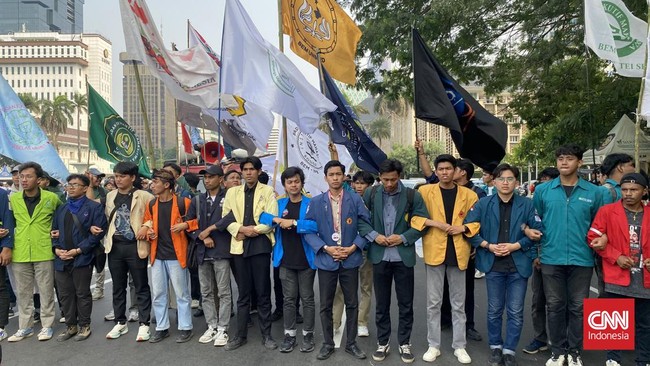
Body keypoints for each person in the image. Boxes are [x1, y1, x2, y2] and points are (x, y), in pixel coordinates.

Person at [464, 164, 543, 366]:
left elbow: (537, 231)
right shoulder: (483, 204)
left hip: (518, 264)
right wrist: (487, 246)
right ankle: (496, 347)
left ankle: (509, 350)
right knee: (494, 309)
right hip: (493, 264)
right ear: (494, 181)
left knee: (516, 311)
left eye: (509, 179)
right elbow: (469, 229)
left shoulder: (527, 204)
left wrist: (516, 245)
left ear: (516, 182)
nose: (505, 183)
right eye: (501, 179)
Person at [533, 144, 604, 366]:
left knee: (579, 307)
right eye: (560, 158)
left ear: (579, 163)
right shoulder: (543, 191)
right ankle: (557, 351)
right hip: (550, 258)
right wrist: (538, 252)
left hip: (582, 258)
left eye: (569, 158)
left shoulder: (595, 192)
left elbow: (600, 224)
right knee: (554, 305)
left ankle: (574, 351)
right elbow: (537, 222)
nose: (564, 162)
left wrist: (600, 242)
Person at [358, 159, 428, 363]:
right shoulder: (371, 194)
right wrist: (373, 236)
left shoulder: (412, 195)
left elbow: (422, 222)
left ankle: (404, 343)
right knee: (382, 303)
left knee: (406, 303)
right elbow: (361, 220)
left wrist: (404, 237)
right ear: (379, 177)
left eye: (393, 179)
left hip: (403, 257)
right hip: (379, 256)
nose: (389, 184)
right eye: (385, 179)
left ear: (400, 176)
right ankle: (383, 342)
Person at [411, 154, 479, 364]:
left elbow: (477, 221)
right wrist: (434, 223)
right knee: (434, 302)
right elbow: (413, 217)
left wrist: (463, 228)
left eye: (448, 169)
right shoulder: (424, 191)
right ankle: (434, 345)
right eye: (440, 169)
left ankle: (460, 346)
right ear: (436, 170)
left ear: (455, 170)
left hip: (459, 251)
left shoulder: (469, 195)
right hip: (435, 251)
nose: (444, 172)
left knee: (458, 303)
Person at [304, 160, 370, 361]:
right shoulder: (315, 202)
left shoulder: (355, 199)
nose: (335, 178)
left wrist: (353, 247)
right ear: (325, 177)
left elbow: (366, 226)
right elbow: (307, 231)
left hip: (350, 259)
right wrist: (326, 248)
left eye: (338, 174)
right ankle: (327, 343)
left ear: (344, 176)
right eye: (331, 174)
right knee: (325, 304)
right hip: (327, 259)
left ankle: (351, 343)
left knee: (352, 303)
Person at [588, 172, 650, 366]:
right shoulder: (607, 211)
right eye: (624, 190)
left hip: (645, 279)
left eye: (634, 190)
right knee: (612, 322)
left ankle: (644, 360)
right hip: (616, 276)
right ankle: (612, 360)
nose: (628, 194)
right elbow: (592, 238)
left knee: (645, 325)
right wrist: (616, 257)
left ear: (645, 191)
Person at [221, 156, 278, 351]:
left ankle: (267, 335)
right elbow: (226, 217)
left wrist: (253, 230)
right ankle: (240, 335)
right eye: (245, 169)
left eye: (252, 169)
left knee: (262, 291)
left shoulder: (268, 191)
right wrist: (240, 229)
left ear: (259, 171)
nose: (248, 172)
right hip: (239, 244)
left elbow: (271, 218)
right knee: (243, 293)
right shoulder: (232, 192)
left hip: (260, 244)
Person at [260, 167, 317, 353]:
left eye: (296, 181)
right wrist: (277, 219)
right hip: (284, 259)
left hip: (306, 259)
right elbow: (263, 216)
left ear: (302, 183)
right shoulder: (279, 203)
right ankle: (289, 335)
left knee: (308, 299)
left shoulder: (311, 203)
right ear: (284, 185)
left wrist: (294, 223)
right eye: (289, 182)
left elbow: (316, 225)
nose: (293, 185)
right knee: (288, 300)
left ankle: (308, 335)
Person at [7, 162, 62, 342]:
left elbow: (63, 216)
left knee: (46, 290)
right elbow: (8, 222)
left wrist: (58, 233)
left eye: (28, 176)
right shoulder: (13, 199)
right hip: (20, 250)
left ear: (39, 180)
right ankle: (25, 326)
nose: (23, 180)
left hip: (44, 249)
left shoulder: (51, 198)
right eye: (21, 176)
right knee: (23, 292)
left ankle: (47, 325)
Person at [51, 174, 107, 342]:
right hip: (62, 258)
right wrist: (56, 249)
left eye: (76, 184)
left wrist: (78, 250)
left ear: (85, 188)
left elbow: (98, 234)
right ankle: (71, 325)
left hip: (82, 257)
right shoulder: (62, 208)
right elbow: (53, 232)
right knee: (65, 294)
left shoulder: (93, 208)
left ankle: (84, 325)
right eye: (69, 184)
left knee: (82, 293)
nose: (71, 187)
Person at [140, 170, 194, 343]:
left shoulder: (183, 202)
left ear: (167, 185)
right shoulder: (151, 204)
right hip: (157, 256)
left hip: (177, 255)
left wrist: (185, 224)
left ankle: (185, 327)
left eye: (155, 182)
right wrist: (150, 233)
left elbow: (197, 222)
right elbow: (147, 224)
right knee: (159, 293)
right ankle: (162, 327)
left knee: (182, 294)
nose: (152, 185)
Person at [104, 162, 155, 342]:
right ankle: (120, 321)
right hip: (115, 246)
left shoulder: (144, 196)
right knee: (118, 286)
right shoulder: (110, 196)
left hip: (135, 245)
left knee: (141, 285)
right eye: (116, 176)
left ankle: (144, 323)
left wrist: (146, 226)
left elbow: (153, 217)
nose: (118, 179)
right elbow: (106, 218)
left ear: (132, 178)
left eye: (122, 176)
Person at [186, 165, 232, 346]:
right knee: (206, 292)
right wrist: (201, 237)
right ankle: (211, 325)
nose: (207, 180)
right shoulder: (197, 200)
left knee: (223, 292)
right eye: (205, 177)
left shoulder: (228, 197)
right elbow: (189, 224)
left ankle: (223, 328)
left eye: (211, 177)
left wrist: (211, 230)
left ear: (221, 179)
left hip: (221, 250)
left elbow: (232, 217)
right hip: (202, 250)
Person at [332, 170, 375, 337]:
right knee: (339, 288)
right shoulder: (347, 196)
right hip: (346, 251)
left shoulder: (373, 199)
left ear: (369, 185)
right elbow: (338, 180)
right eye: (356, 182)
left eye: (363, 183)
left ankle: (362, 322)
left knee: (365, 287)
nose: (358, 186)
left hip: (365, 250)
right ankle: (334, 321)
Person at [446, 158, 486, 335]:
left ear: (462, 172)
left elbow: (482, 222)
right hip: (445, 245)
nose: (448, 172)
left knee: (466, 288)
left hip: (467, 247)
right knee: (443, 286)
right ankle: (445, 320)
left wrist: (477, 244)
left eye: (453, 168)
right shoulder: (445, 188)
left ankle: (468, 325)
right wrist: (421, 153)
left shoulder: (477, 193)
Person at [522, 166, 559, 355]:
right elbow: (526, 224)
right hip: (542, 259)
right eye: (542, 181)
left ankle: (565, 343)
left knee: (567, 304)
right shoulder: (536, 202)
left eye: (549, 182)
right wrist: (536, 254)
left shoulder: (590, 195)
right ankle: (540, 338)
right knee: (538, 301)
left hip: (571, 260)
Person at [86, 168, 108, 302]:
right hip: (84, 230)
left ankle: (99, 288)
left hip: (100, 230)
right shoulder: (80, 188)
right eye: (96, 177)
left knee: (99, 260)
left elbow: (91, 202)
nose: (98, 180)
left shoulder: (102, 192)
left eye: (100, 178)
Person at [0, 186, 15, 342]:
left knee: (0, 287)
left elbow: (7, 221)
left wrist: (7, 247)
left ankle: (1, 327)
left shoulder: (2, 194)